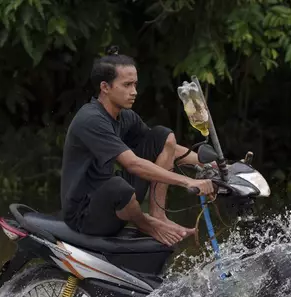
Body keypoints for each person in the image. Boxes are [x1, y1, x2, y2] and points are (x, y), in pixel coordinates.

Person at [60, 47, 215, 246]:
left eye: (135, 84)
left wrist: (212, 166)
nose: (134, 92)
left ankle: (158, 216)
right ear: (105, 87)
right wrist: (187, 182)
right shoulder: (91, 119)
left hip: (108, 195)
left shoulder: (125, 116)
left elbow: (168, 147)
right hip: (85, 214)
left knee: (164, 136)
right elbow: (133, 164)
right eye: (127, 85)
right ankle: (147, 224)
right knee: (119, 186)